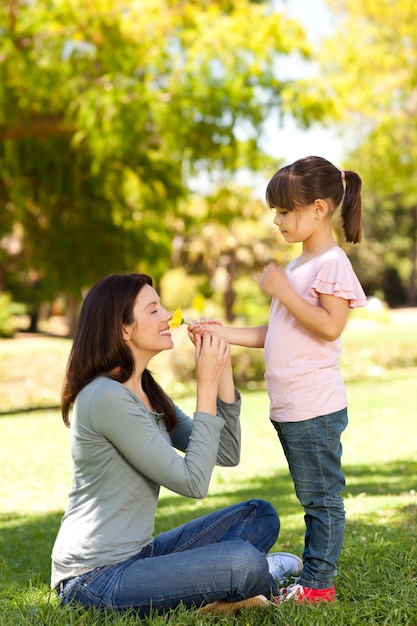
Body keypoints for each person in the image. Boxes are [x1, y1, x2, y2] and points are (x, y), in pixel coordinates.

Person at [51, 272, 302, 617]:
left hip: (141, 555)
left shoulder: (145, 389)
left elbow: (227, 453)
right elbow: (194, 483)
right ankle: (256, 579)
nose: (168, 314)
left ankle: (225, 591)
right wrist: (205, 381)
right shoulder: (105, 397)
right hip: (95, 580)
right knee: (241, 562)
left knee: (259, 515)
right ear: (124, 329)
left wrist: (222, 368)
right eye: (153, 309)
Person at [190, 156, 367, 604]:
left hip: (315, 405)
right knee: (312, 496)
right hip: (291, 407)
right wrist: (221, 332)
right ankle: (313, 579)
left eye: (285, 210)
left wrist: (285, 293)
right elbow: (279, 333)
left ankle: (318, 587)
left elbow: (330, 326)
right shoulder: (296, 268)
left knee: (322, 500)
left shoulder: (331, 263)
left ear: (319, 209)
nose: (277, 220)